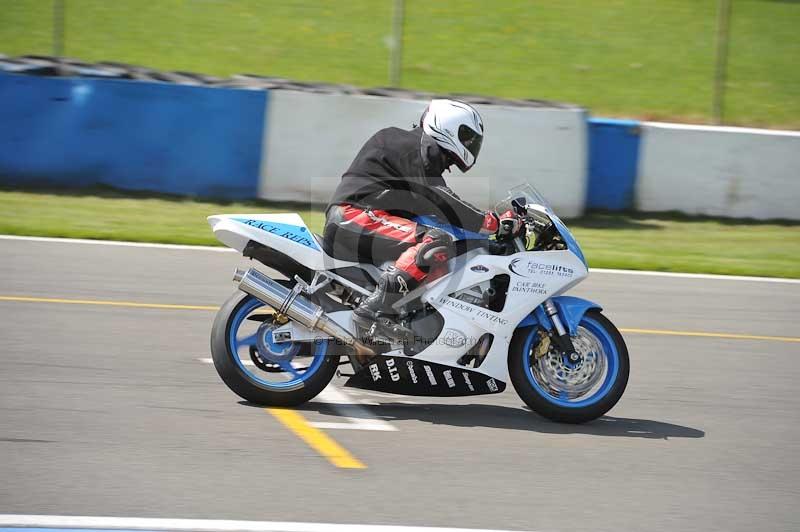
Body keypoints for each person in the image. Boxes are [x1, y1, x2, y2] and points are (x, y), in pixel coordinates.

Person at [323, 99, 519, 330]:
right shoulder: (413, 147)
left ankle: (412, 324)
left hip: (365, 217)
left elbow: (438, 208)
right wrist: (492, 222)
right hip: (353, 215)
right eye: (467, 137)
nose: (470, 144)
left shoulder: (416, 154)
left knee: (442, 250)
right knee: (435, 241)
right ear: (447, 125)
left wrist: (488, 241)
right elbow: (443, 200)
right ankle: (372, 311)